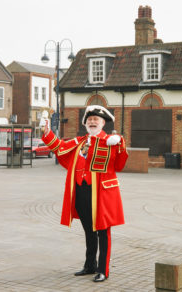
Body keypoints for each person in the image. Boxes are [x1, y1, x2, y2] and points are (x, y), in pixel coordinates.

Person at [41, 105, 128, 282]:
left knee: (103, 232)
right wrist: (46, 130)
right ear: (85, 124)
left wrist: (120, 142)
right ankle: (90, 265)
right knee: (89, 231)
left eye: (96, 119)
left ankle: (103, 269)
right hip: (81, 192)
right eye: (89, 120)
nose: (92, 122)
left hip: (102, 194)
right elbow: (59, 147)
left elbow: (119, 165)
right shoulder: (79, 142)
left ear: (103, 123)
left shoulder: (110, 141)